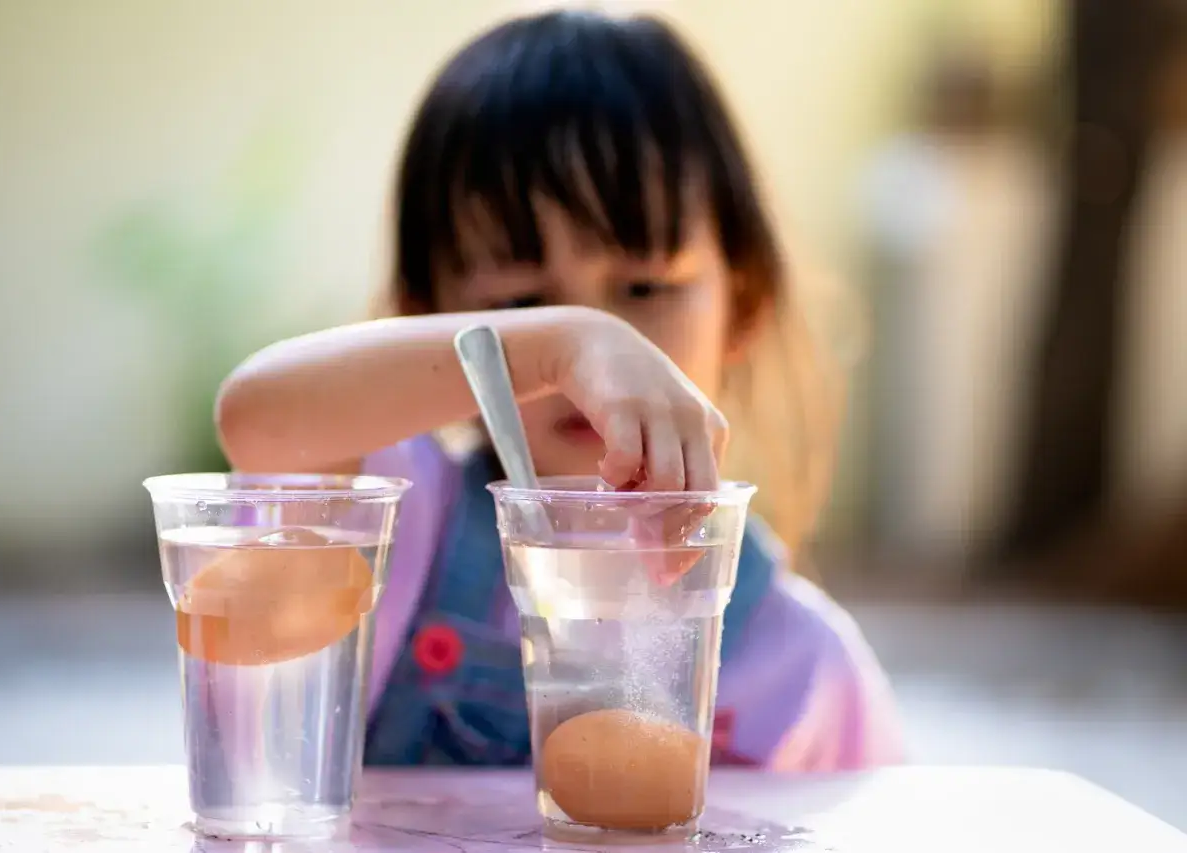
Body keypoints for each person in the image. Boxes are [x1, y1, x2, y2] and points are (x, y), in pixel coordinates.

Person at [216, 9, 904, 770]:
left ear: (742, 304)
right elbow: (258, 418)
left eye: (644, 285)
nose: (593, 362)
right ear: (427, 320)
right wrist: (556, 346)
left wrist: (553, 331)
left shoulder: (803, 668)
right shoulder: (390, 524)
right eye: (518, 302)